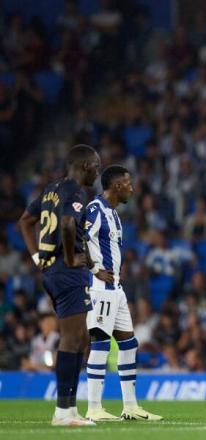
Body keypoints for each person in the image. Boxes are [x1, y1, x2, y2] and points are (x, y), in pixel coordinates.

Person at [17, 144, 100, 426]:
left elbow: (25, 222)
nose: (97, 173)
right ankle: (63, 412)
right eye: (96, 167)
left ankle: (70, 408)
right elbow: (66, 224)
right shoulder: (76, 190)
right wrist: (70, 257)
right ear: (86, 166)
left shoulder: (52, 189)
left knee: (80, 339)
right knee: (72, 338)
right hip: (66, 271)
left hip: (53, 271)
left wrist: (37, 255)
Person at [84, 165, 162, 421]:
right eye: (128, 183)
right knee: (101, 345)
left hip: (116, 289)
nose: (132, 187)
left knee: (129, 344)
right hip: (100, 290)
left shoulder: (114, 215)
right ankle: (94, 407)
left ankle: (130, 406)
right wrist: (95, 268)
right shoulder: (95, 210)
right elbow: (76, 237)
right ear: (116, 186)